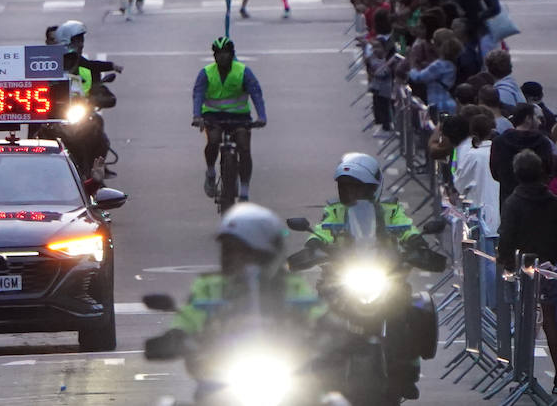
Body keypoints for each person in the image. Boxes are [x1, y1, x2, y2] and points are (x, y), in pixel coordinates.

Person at [303, 152, 432, 399]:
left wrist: (416, 241)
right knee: (318, 313)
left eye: (359, 188)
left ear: (373, 188)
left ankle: (408, 367)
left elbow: (406, 227)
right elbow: (322, 230)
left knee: (407, 309)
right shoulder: (335, 210)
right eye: (347, 187)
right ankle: (319, 367)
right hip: (341, 275)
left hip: (384, 272)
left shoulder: (390, 209)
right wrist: (313, 245)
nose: (352, 193)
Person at [159, 204, 318, 373]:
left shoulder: (292, 286)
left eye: (244, 252)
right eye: (228, 250)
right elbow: (188, 317)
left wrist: (333, 329)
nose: (233, 258)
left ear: (268, 254)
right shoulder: (208, 287)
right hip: (221, 375)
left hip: (285, 370)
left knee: (333, 398)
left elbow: (317, 314)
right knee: (168, 401)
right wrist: (175, 336)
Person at [496, 149, 557, 395]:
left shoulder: (513, 203)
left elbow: (506, 236)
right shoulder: (554, 202)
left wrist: (504, 259)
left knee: (524, 319)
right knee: (550, 322)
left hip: (521, 268)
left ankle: (523, 371)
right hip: (548, 268)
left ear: (516, 174)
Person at [191, 37, 268, 202]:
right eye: (218, 54)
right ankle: (211, 172)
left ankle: (245, 191)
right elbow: (198, 94)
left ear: (231, 54)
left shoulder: (243, 71)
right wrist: (197, 116)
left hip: (239, 116)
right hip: (213, 115)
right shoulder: (206, 73)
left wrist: (261, 116)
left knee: (244, 148)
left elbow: (256, 93)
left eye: (225, 53)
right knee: (213, 141)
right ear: (214, 56)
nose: (222, 57)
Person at [490, 103, 557, 204]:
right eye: (536, 117)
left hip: (508, 200)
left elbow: (495, 173)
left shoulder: (499, 142)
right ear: (528, 119)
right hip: (537, 201)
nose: (539, 122)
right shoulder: (543, 143)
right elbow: (549, 170)